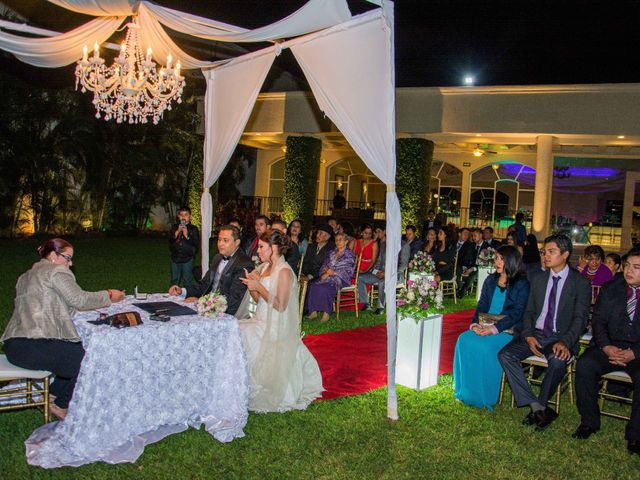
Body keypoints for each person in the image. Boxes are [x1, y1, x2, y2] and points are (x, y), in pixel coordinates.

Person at [1, 238, 126, 420]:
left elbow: (58, 304)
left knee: (73, 351)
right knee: (90, 359)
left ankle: (51, 396)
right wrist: (108, 295)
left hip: (13, 346)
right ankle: (61, 404)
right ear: (53, 255)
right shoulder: (56, 271)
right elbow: (80, 300)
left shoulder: (25, 276)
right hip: (34, 345)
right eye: (67, 258)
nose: (70, 263)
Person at [498, 234, 591, 431]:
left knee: (557, 362)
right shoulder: (538, 279)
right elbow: (529, 311)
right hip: (537, 333)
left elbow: (580, 319)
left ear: (565, 254)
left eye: (551, 252)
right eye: (543, 252)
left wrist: (566, 342)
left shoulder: (580, 283)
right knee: (505, 355)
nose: (545, 256)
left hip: (561, 337)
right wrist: (529, 334)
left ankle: (538, 406)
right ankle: (537, 407)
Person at [236, 229, 323, 412]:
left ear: (273, 247)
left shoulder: (284, 272)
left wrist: (258, 285)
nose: (257, 250)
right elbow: (260, 301)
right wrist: (252, 285)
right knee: (237, 328)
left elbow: (280, 305)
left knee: (243, 334)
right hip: (261, 319)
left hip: (276, 326)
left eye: (261, 246)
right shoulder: (265, 267)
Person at [573, 247, 640, 453]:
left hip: (637, 351)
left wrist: (634, 353)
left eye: (636, 268)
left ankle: (636, 435)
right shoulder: (611, 286)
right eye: (627, 265)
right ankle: (589, 421)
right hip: (609, 344)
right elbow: (599, 321)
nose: (629, 271)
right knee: (584, 365)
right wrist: (607, 346)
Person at [454, 245, 530, 409]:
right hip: (484, 324)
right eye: (496, 258)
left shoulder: (521, 284)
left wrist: (494, 329)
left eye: (501, 259)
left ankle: (484, 394)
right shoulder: (490, 280)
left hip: (507, 330)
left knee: (485, 347)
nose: (497, 262)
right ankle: (465, 390)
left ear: (512, 261)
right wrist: (475, 325)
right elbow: (481, 305)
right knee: (464, 340)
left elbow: (517, 313)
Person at [169, 225, 254, 316]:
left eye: (225, 240)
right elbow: (204, 285)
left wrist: (203, 303)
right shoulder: (217, 258)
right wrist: (182, 291)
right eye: (219, 239)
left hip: (226, 314)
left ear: (237, 242)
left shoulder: (244, 263)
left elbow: (234, 298)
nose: (220, 243)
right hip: (208, 306)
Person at [357, 226, 410, 314]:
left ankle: (380, 307)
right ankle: (366, 304)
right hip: (380, 273)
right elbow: (378, 261)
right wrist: (376, 271)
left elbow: (403, 265)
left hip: (395, 275)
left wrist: (387, 273)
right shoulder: (384, 244)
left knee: (383, 282)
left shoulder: (404, 245)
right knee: (360, 278)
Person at [306, 233, 356, 322]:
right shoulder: (331, 252)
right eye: (336, 240)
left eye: (340, 239)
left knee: (326, 287)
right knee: (314, 285)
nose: (338, 242)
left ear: (346, 242)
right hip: (328, 275)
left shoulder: (349, 254)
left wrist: (333, 272)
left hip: (341, 278)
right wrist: (325, 273)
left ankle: (326, 313)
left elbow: (348, 269)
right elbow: (324, 265)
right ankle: (313, 311)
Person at [169, 206, 200, 287]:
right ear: (178, 217)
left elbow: (196, 243)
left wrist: (187, 235)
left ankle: (187, 296)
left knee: (187, 279)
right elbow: (170, 240)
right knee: (174, 279)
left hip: (188, 258)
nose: (183, 217)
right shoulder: (174, 227)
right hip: (175, 257)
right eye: (181, 215)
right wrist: (178, 231)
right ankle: (174, 296)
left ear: (190, 216)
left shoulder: (194, 229)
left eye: (186, 215)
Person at [458, 229, 485, 298]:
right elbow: (467, 258)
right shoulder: (471, 245)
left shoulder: (487, 247)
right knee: (457, 270)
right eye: (472, 236)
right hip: (469, 266)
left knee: (472, 275)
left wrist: (472, 269)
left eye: (475, 236)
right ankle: (458, 287)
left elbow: (484, 262)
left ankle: (461, 292)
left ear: (481, 235)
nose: (473, 238)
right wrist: (465, 267)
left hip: (480, 268)